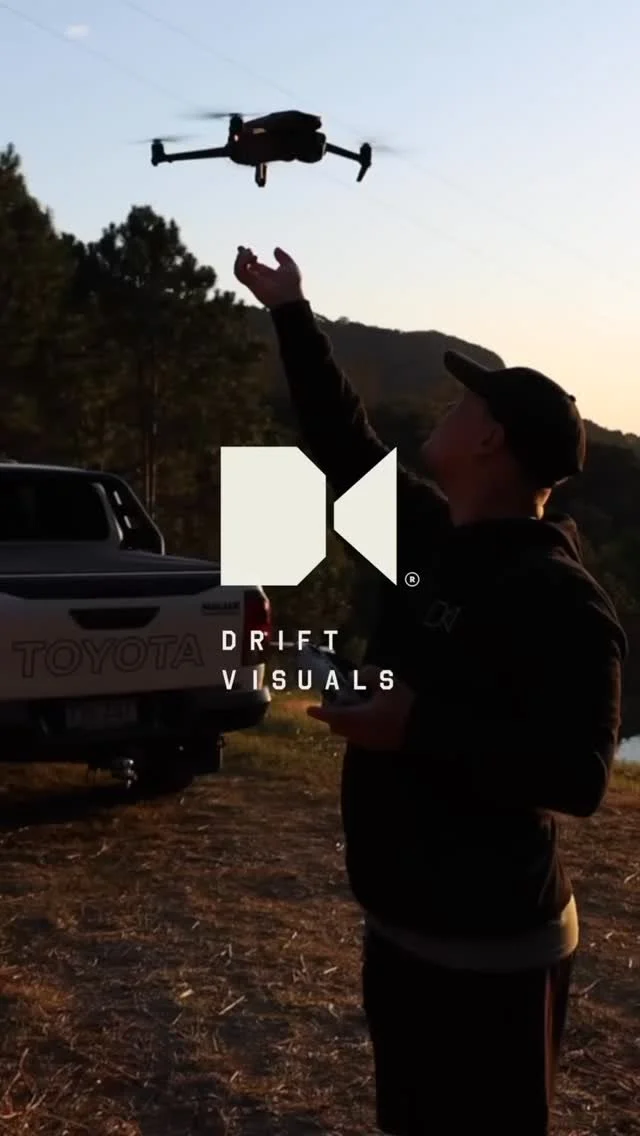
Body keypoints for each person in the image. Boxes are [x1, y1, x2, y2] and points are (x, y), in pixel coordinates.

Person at [233, 246, 627, 1136]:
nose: (445, 413)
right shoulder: (427, 537)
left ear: (490, 441)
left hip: (497, 951)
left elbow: (579, 775)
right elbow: (342, 442)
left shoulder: (561, 599)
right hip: (405, 929)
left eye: (462, 407)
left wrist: (417, 727)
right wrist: (290, 311)